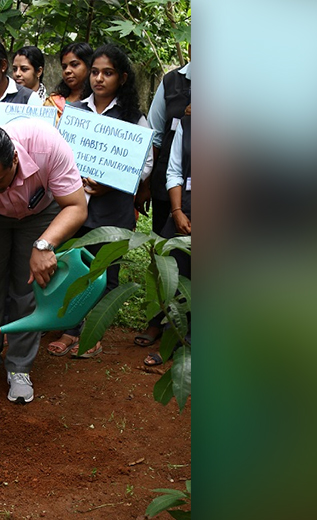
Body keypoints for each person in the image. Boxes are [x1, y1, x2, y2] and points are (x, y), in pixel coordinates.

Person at [0, 120, 87, 404]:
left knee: (30, 286)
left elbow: (76, 206)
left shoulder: (47, 146)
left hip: (40, 213)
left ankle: (20, 367)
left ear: (14, 158)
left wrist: (44, 244)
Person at [47, 44, 154, 358]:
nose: (99, 78)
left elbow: (146, 162)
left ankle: (92, 333)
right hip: (74, 207)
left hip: (113, 209)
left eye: (108, 73)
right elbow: (58, 152)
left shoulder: (133, 117)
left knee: (105, 273)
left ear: (122, 78)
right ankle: (70, 328)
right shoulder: (75, 112)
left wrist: (113, 183)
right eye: (94, 72)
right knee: (74, 269)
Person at [133, 45, 191, 354]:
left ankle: (185, 325)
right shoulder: (171, 82)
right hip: (168, 181)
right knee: (163, 254)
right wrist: (144, 185)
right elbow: (154, 134)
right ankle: (156, 318)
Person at [43, 42, 93, 120]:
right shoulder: (53, 103)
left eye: (74, 65)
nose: (67, 71)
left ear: (89, 66)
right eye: (64, 67)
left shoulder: (98, 103)